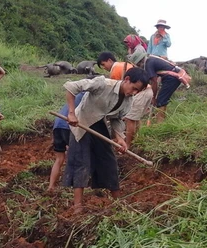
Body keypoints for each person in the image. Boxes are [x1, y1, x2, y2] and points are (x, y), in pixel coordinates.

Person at [63, 67, 149, 213]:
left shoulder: (128, 100)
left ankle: (117, 204)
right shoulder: (102, 84)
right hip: (82, 124)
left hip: (100, 126)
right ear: (127, 79)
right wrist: (71, 114)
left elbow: (117, 120)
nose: (133, 93)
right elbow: (71, 87)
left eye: (137, 91)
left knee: (109, 162)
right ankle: (77, 207)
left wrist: (120, 138)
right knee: (81, 163)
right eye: (134, 88)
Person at [97, 52, 153, 147]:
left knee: (130, 119)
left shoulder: (115, 70)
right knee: (135, 118)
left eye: (103, 64)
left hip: (141, 92)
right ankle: (136, 140)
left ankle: (128, 145)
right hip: (148, 90)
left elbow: (115, 93)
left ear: (110, 60)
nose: (104, 67)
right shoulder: (122, 65)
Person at [128, 49, 191, 123]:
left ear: (140, 61)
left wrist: (153, 97)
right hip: (171, 77)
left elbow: (154, 82)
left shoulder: (148, 63)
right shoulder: (151, 59)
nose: (139, 66)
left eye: (138, 64)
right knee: (162, 99)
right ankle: (161, 119)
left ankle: (160, 122)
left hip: (171, 79)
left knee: (160, 101)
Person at [47, 92, 85, 192]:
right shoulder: (86, 97)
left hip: (57, 125)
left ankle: (51, 186)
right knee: (77, 157)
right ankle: (73, 185)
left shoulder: (74, 96)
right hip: (68, 126)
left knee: (59, 159)